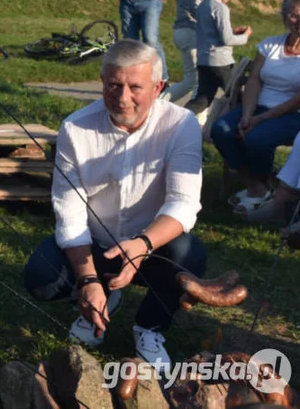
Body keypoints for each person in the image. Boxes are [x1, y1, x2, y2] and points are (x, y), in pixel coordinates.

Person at [23, 40, 205, 367]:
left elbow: (184, 203)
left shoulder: (181, 124)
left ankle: (150, 326)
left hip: (154, 245)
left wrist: (142, 243)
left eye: (135, 87)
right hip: (96, 244)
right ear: (102, 81)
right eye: (113, 85)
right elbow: (70, 214)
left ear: (158, 87)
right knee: (40, 277)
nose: (122, 98)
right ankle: (103, 294)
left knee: (190, 255)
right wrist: (88, 282)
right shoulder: (75, 127)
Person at [211, 0, 300, 218]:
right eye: (294, 15)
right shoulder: (269, 45)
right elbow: (254, 80)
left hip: (296, 113)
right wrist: (247, 115)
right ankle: (257, 185)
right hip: (258, 108)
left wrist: (258, 120)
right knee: (221, 130)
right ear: (284, 18)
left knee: (257, 138)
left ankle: (266, 188)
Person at [187, 0, 251, 114]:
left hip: (204, 61)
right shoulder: (220, 8)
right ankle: (238, 125)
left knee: (203, 98)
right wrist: (244, 37)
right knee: (236, 94)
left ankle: (177, 121)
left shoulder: (203, 5)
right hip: (221, 62)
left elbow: (209, 32)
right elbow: (227, 39)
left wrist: (232, 31)